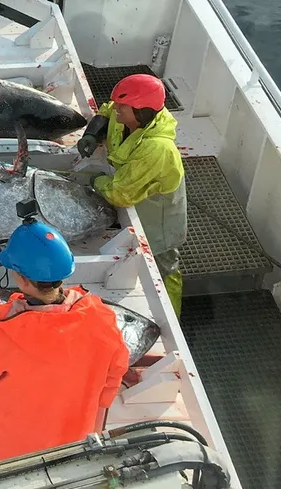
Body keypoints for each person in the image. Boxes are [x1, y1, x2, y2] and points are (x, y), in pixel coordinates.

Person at [0, 218, 129, 465]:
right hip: (72, 443)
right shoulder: (102, 317)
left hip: (5, 449)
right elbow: (114, 375)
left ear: (22, 280)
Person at [76, 74, 186, 316]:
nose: (116, 112)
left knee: (164, 265)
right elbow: (106, 110)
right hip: (130, 184)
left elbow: (120, 194)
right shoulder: (125, 115)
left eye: (122, 109)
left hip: (157, 213)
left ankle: (172, 318)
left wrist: (96, 180)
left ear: (142, 112)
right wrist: (93, 133)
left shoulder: (156, 148)